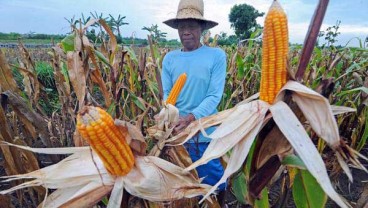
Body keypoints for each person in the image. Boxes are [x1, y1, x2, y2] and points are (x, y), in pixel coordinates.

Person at [161, 0, 227, 203]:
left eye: (191, 26)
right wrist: (168, 117)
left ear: (202, 29)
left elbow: (214, 95)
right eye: (182, 27)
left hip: (203, 132)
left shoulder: (216, 55)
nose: (186, 31)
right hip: (176, 133)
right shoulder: (169, 59)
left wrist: (190, 118)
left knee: (214, 181)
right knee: (182, 186)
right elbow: (167, 94)